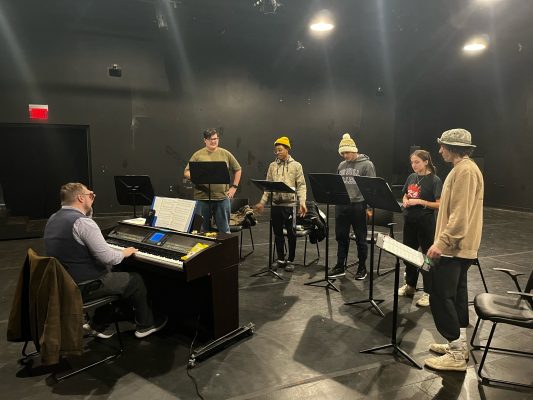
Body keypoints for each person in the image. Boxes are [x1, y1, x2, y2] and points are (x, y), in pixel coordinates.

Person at [44, 183, 167, 339]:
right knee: (136, 280)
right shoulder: (83, 223)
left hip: (63, 284)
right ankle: (146, 325)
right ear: (81, 198)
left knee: (114, 273)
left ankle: (97, 323)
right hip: (84, 287)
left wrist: (88, 208)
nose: (93, 197)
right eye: (90, 195)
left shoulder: (54, 218)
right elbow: (108, 258)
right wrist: (125, 252)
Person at [424, 129, 484, 372]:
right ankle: (457, 344)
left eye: (443, 146)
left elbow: (459, 216)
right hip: (458, 248)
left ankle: (457, 354)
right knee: (456, 295)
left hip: (455, 248)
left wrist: (442, 243)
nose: (439, 151)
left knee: (440, 295)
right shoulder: (462, 169)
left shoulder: (466, 171)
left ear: (453, 148)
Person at [254, 136, 307, 272]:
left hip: (290, 206)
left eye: (280, 150)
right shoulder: (272, 166)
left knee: (291, 234)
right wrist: (262, 203)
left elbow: (301, 185)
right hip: (276, 205)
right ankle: (281, 258)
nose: (277, 152)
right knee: (277, 233)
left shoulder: (296, 165)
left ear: (287, 149)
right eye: (276, 150)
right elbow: (268, 187)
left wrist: (302, 202)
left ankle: (291, 260)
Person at [398, 150, 442, 307]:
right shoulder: (411, 177)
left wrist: (420, 202)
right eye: (412, 162)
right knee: (408, 255)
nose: (414, 165)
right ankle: (410, 285)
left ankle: (429, 292)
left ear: (426, 162)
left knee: (427, 258)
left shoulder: (435, 180)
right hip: (410, 222)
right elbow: (405, 195)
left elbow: (439, 204)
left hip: (425, 224)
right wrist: (405, 201)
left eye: (417, 162)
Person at [329, 133, 376, 280]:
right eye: (342, 153)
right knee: (341, 237)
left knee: (361, 238)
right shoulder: (341, 165)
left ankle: (362, 267)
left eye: (347, 152)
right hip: (342, 206)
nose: (345, 155)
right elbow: (337, 184)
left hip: (358, 206)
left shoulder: (367, 165)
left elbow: (371, 187)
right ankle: (340, 265)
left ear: (354, 150)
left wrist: (369, 207)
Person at [184, 128, 242, 234]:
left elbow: (238, 169)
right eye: (210, 139)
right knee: (201, 230)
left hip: (222, 197)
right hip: (202, 198)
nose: (213, 141)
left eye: (215, 139)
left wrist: (234, 187)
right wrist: (197, 176)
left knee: (224, 230)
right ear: (205, 140)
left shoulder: (225, 153)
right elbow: (186, 172)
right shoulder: (198, 155)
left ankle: (224, 250)